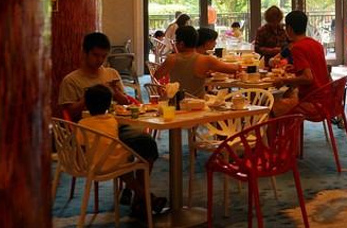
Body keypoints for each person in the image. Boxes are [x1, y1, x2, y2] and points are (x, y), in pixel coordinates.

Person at [58, 33, 165, 215]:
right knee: (112, 149)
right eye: (95, 55)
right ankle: (144, 197)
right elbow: (69, 113)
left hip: (116, 123)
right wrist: (89, 97)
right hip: (89, 130)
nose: (99, 60)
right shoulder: (72, 80)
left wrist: (115, 92)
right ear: (84, 53)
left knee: (146, 143)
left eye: (103, 56)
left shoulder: (111, 74)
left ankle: (137, 197)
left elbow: (125, 102)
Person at [80, 85, 166, 217]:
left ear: (86, 104)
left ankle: (141, 198)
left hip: (91, 165)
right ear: (109, 104)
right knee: (130, 158)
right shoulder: (112, 121)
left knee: (119, 163)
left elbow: (81, 147)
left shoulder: (81, 124)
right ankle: (147, 198)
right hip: (115, 164)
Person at [273, 10, 332, 116]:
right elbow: (316, 69)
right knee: (287, 95)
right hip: (327, 99)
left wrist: (283, 80)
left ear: (289, 29)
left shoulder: (297, 48)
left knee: (271, 107)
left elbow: (308, 78)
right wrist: (295, 68)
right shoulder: (316, 44)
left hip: (312, 102)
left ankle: (288, 126)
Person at [155, 26, 239, 98]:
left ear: (181, 43)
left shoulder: (171, 58)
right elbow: (231, 69)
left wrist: (161, 88)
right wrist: (239, 66)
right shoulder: (206, 59)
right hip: (198, 105)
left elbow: (156, 77)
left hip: (175, 104)